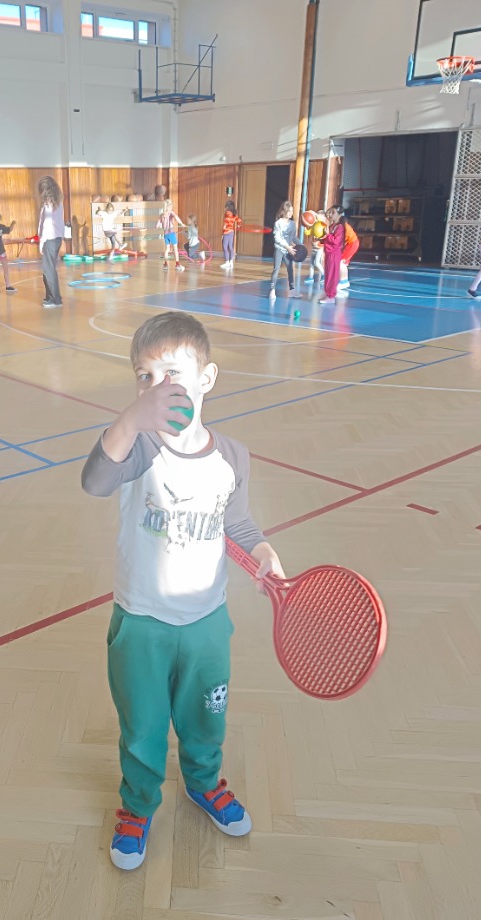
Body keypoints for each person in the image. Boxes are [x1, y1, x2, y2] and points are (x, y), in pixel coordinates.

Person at [81, 310, 285, 870]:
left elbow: (237, 523)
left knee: (205, 716)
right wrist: (129, 420)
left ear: (206, 378)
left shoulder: (232, 456)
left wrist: (264, 553)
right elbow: (94, 481)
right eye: (144, 377)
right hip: (141, 622)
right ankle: (138, 804)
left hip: (206, 623)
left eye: (171, 373)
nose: (157, 387)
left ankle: (203, 782)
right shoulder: (138, 448)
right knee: (142, 726)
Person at [37, 175, 65, 307]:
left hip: (50, 239)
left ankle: (55, 299)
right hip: (56, 238)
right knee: (49, 268)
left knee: (48, 270)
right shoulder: (58, 203)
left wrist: (41, 241)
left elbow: (46, 224)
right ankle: (50, 296)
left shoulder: (48, 204)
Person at [269, 201, 300, 300]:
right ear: (283, 211)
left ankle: (292, 290)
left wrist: (300, 244)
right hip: (279, 249)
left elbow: (293, 237)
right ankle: (272, 290)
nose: (291, 213)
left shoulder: (292, 224)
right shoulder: (278, 223)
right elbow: (277, 238)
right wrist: (287, 247)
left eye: (292, 211)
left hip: (288, 251)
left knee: (290, 269)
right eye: (288, 211)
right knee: (276, 269)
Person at [319, 205, 345, 305]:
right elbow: (327, 239)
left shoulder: (340, 227)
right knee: (328, 274)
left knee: (332, 275)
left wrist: (327, 234)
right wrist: (320, 239)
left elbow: (336, 241)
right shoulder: (331, 226)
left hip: (334, 254)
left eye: (333, 212)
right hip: (328, 253)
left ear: (339, 215)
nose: (330, 214)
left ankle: (331, 296)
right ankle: (328, 294)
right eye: (330, 212)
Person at [157, 200, 185, 272]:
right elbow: (177, 218)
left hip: (166, 234)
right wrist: (181, 224)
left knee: (167, 249)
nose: (172, 207)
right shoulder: (171, 213)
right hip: (171, 233)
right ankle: (177, 264)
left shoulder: (161, 215)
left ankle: (165, 264)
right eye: (171, 206)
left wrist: (159, 227)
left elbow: (157, 226)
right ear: (168, 206)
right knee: (175, 248)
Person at [303, 211, 327, 284]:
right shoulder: (314, 226)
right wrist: (305, 228)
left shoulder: (324, 226)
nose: (316, 219)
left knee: (317, 263)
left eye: (318, 217)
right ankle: (311, 277)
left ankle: (324, 275)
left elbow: (325, 236)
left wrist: (314, 214)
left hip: (319, 248)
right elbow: (308, 232)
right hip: (313, 248)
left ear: (324, 218)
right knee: (311, 264)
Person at [339, 213, 360, 289]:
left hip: (352, 244)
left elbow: (341, 241)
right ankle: (344, 281)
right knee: (343, 263)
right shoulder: (345, 226)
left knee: (341, 262)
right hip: (353, 243)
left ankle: (343, 282)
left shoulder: (343, 227)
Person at [221, 201, 243, 269]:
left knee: (225, 247)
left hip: (227, 232)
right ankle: (231, 262)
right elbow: (239, 220)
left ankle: (227, 262)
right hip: (231, 232)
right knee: (230, 247)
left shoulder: (228, 213)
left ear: (228, 207)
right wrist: (239, 225)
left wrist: (224, 228)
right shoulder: (234, 214)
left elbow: (227, 221)